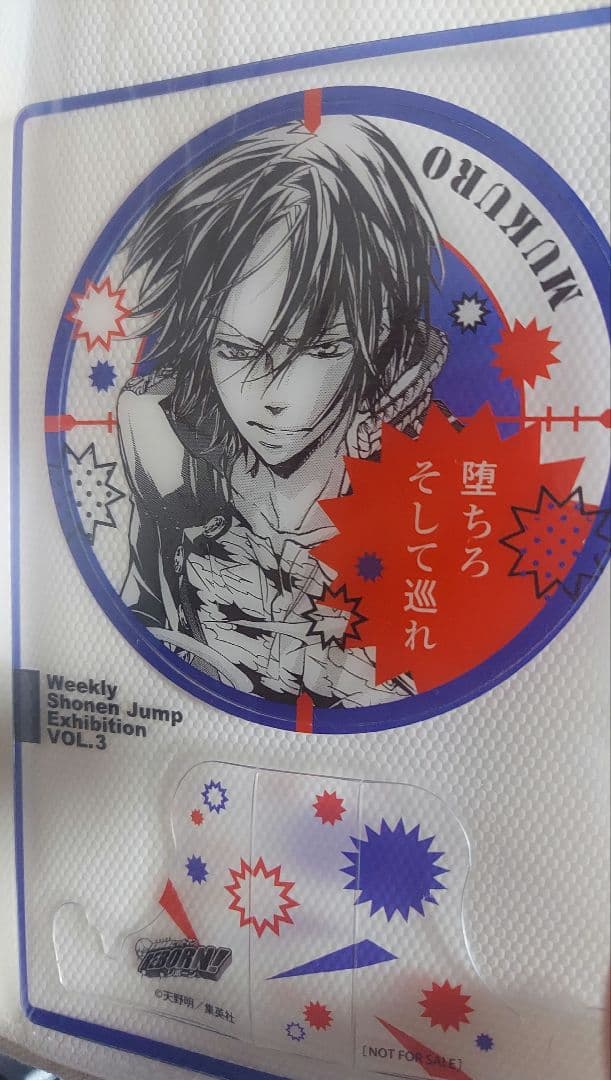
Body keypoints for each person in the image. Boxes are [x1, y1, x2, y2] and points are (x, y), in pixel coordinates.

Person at [117, 115, 449, 708]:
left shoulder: (438, 477)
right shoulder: (166, 441)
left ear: (378, 332)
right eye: (235, 349)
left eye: (319, 349)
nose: (271, 395)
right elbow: (139, 617)